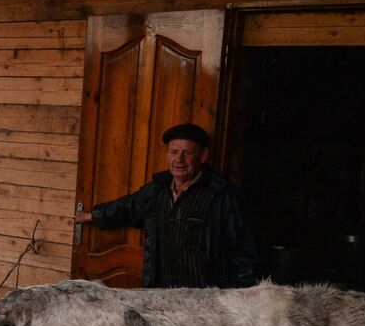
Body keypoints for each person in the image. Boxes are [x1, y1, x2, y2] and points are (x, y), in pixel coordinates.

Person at [76, 123, 258, 289]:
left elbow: (244, 250)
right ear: (167, 155)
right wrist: (91, 216)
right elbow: (127, 207)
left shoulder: (222, 195)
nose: (179, 159)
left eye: (187, 153)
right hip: (161, 295)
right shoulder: (157, 190)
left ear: (203, 156)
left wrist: (242, 297)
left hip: (203, 300)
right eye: (174, 152)